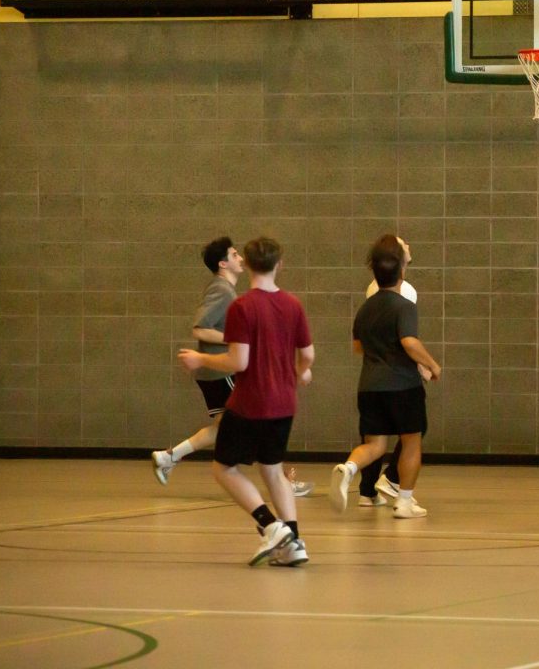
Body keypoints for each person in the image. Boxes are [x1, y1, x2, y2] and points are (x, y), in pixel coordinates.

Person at [177, 237, 315, 567]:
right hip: (285, 402)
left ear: (249, 265)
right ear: (279, 264)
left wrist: (201, 359)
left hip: (252, 401)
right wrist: (299, 372)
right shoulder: (294, 304)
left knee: (224, 468)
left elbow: (238, 362)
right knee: (272, 470)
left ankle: (272, 527)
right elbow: (308, 356)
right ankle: (294, 542)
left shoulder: (242, 306)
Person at [152, 236, 313, 497]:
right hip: (221, 370)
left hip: (216, 371)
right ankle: (283, 481)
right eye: (235, 254)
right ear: (223, 263)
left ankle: (168, 457)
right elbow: (200, 327)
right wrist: (235, 340)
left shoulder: (226, 290)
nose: (240, 258)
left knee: (223, 427)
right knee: (260, 417)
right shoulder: (222, 290)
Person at [330, 235, 441, 518]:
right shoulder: (405, 306)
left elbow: (357, 347)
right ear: (401, 270)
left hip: (369, 386)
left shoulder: (365, 309)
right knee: (412, 441)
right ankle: (404, 501)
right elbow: (409, 342)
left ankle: (349, 468)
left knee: (374, 444)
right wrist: (432, 364)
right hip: (402, 386)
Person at [357, 237, 422, 508]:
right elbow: (403, 338)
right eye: (403, 244)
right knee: (411, 435)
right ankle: (394, 481)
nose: (409, 246)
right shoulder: (401, 293)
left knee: (375, 438)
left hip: (372, 375)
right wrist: (424, 365)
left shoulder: (373, 293)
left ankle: (365, 489)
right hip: (398, 376)